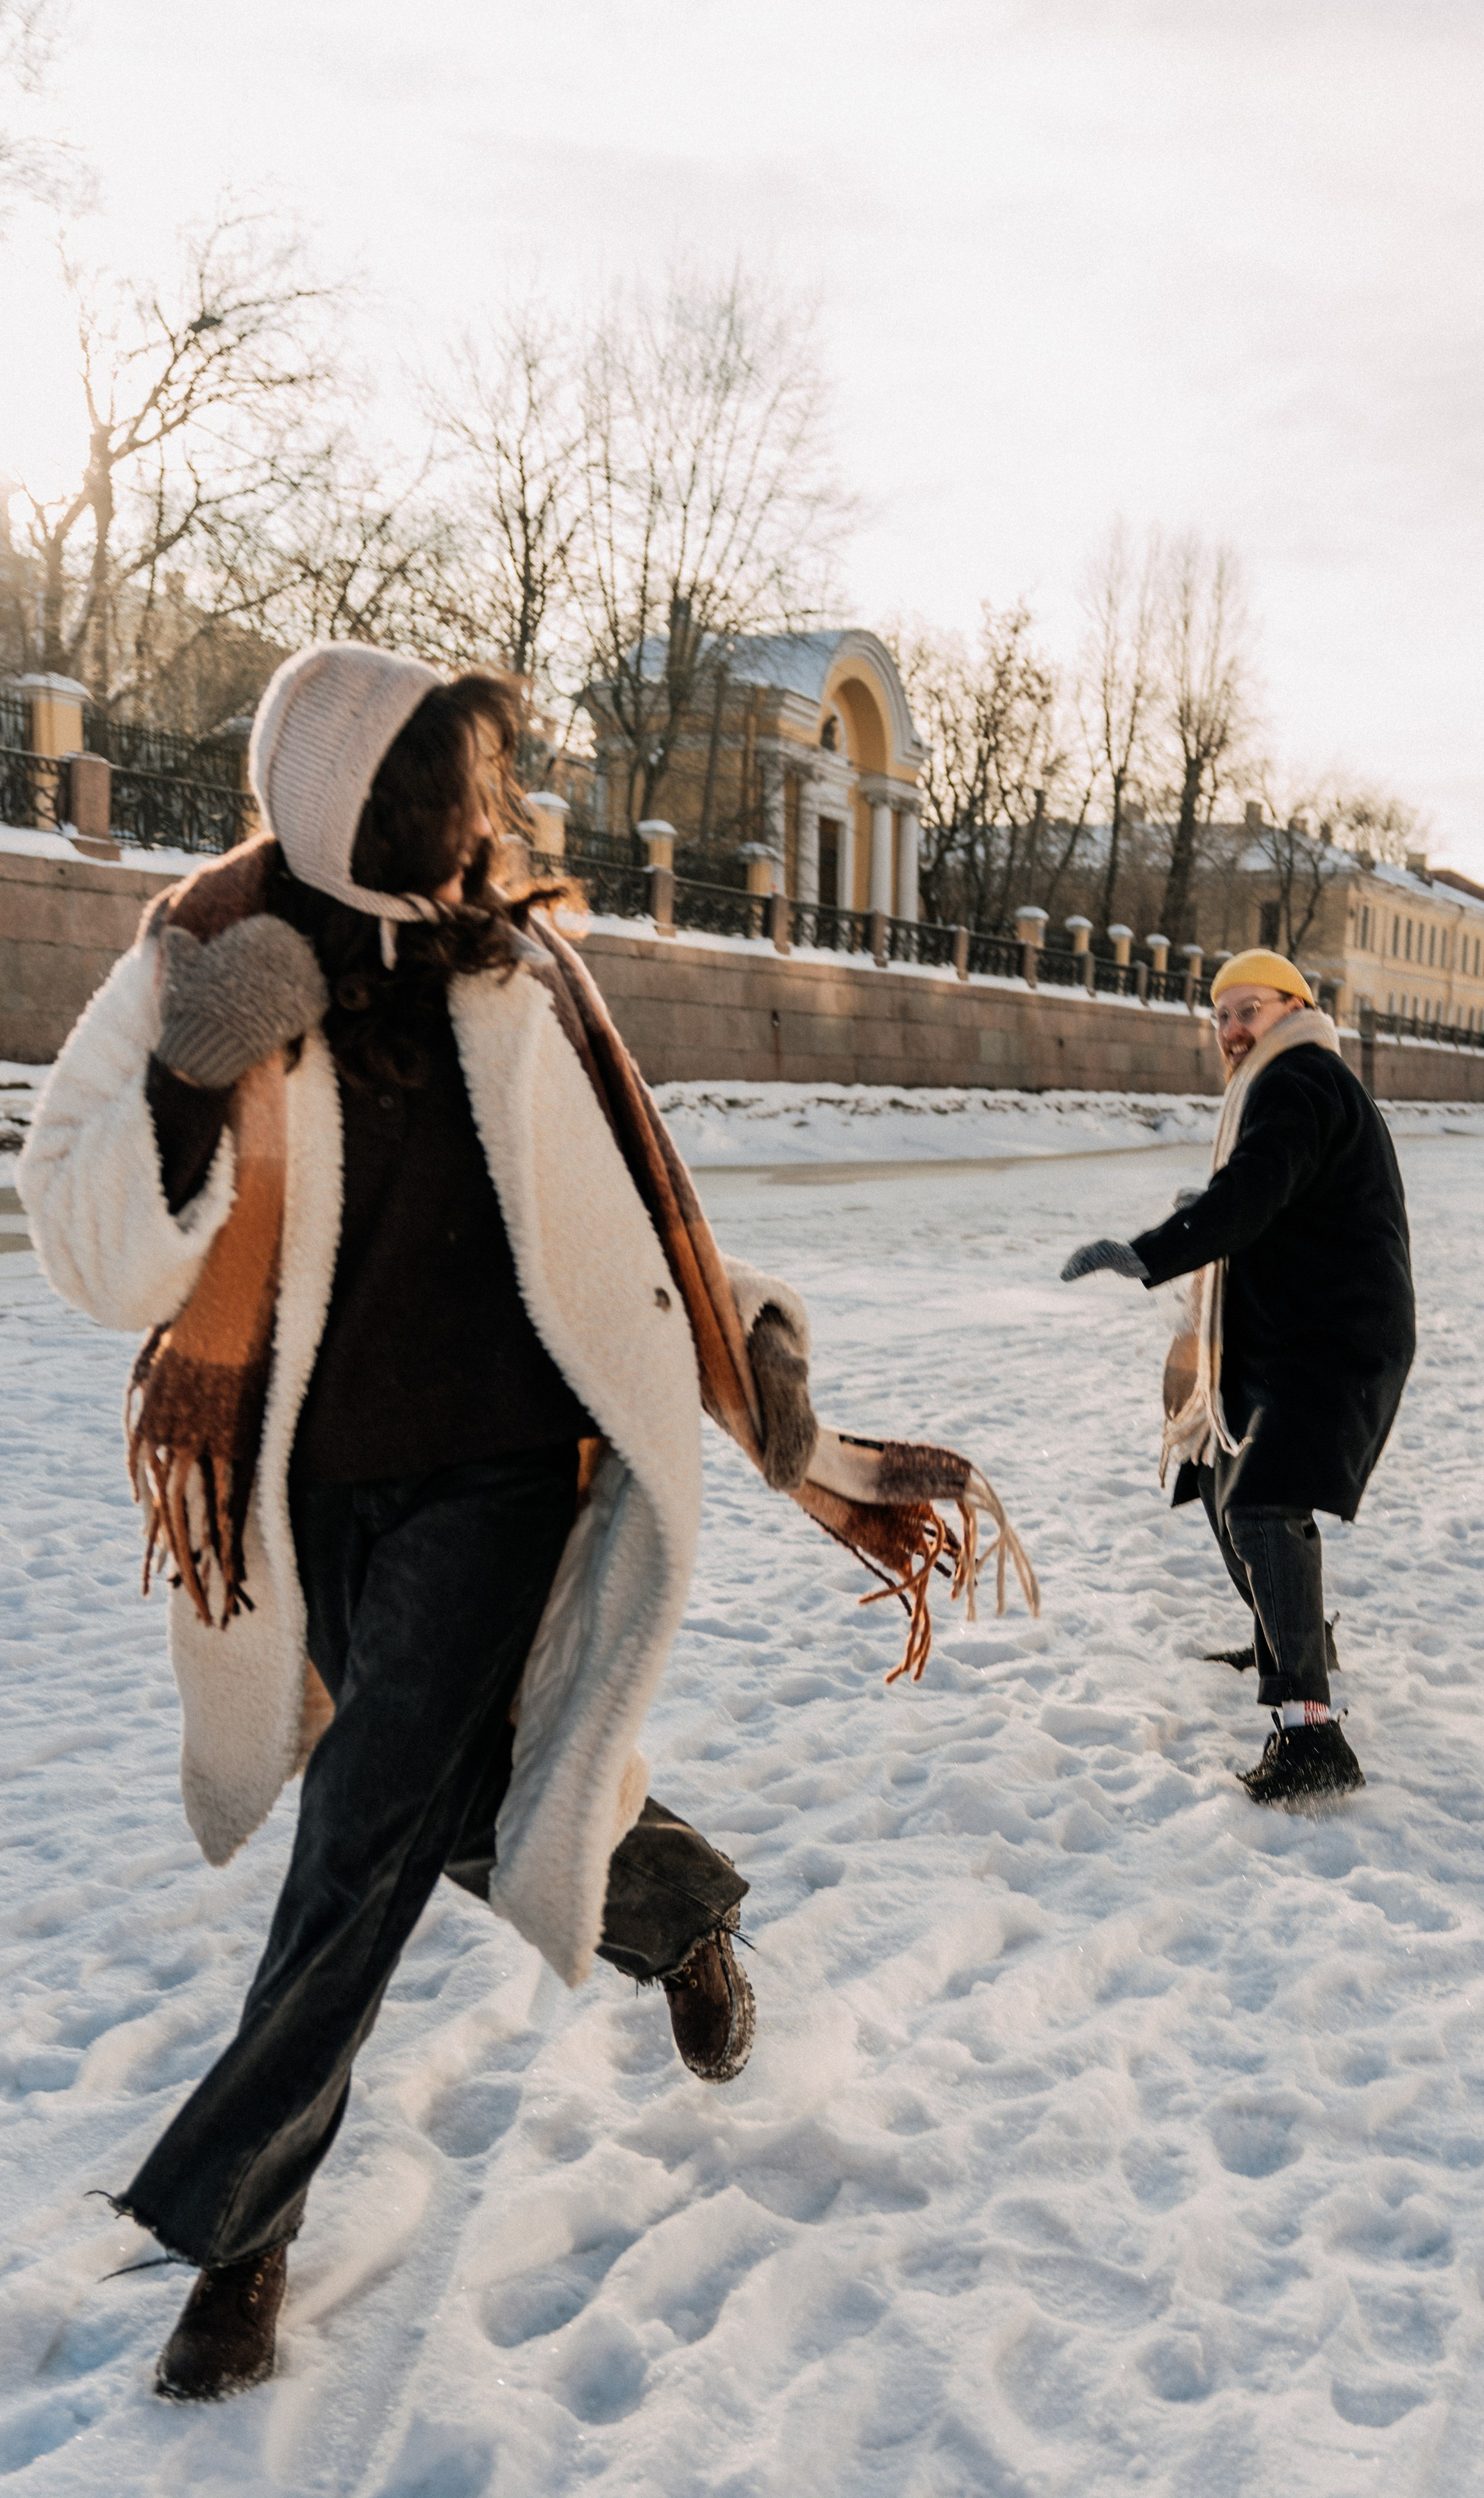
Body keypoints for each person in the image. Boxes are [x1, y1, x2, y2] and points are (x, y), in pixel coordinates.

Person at [21, 643, 1031, 2401]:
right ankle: (680, 1914)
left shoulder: (513, 962)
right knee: (459, 1808)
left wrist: (755, 1336)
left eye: (483, 785)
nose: (483, 815)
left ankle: (236, 2240)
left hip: (508, 1478)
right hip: (303, 1492)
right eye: (451, 784)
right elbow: (94, 1247)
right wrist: (197, 1072)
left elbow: (631, 1201)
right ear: (360, 795)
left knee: (358, 1835)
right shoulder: (204, 946)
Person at [1060, 948, 1416, 1805]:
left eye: (1248, 1009)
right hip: (1296, 1327)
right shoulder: (1287, 1082)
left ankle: (1311, 1733)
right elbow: (1274, 1189)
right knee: (1223, 1480)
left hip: (1331, 1335)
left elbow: (1256, 1190)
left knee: (1261, 1501)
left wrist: (1152, 1249)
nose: (1230, 1029)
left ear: (1294, 1006)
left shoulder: (1298, 1078)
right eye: (1220, 1015)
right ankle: (1295, 1641)